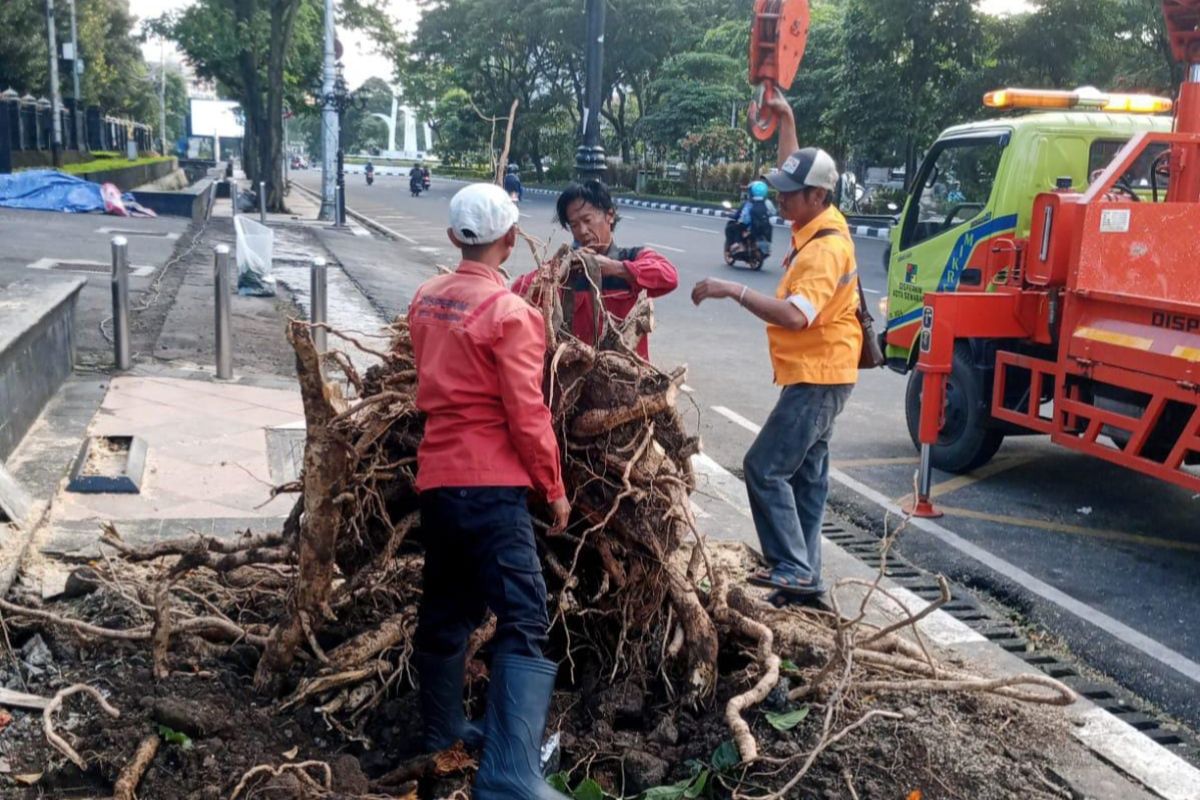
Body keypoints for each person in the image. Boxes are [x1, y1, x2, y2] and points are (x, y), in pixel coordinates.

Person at [407, 183, 572, 800]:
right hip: (492, 486)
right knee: (525, 615)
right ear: (510, 240)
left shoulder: (426, 300)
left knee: (447, 607)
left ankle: (442, 733)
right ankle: (508, 774)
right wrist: (553, 487)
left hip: (438, 481)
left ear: (454, 237)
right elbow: (526, 412)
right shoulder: (511, 315)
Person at [691, 95, 860, 602]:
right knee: (806, 481)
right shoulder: (819, 220)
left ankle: (792, 566)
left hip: (819, 377)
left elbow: (795, 315)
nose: (778, 200)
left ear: (815, 196)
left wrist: (733, 290)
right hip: (825, 372)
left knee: (764, 467)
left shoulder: (825, 250)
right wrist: (787, 119)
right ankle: (806, 580)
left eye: (788, 194)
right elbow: (798, 168)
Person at [511, 181, 679, 359]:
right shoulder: (567, 269)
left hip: (625, 376)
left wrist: (616, 268)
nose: (582, 231)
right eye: (574, 225)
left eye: (587, 220)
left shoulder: (630, 258)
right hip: (575, 376)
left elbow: (669, 276)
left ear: (610, 215)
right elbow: (518, 291)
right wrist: (559, 269)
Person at [725, 180, 777, 257]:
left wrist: (731, 215)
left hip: (750, 228)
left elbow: (742, 217)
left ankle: (738, 244)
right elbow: (773, 212)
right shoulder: (768, 202)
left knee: (731, 227)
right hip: (763, 228)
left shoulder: (748, 203)